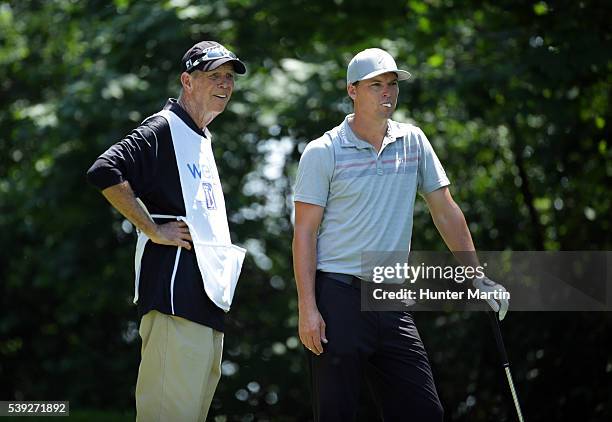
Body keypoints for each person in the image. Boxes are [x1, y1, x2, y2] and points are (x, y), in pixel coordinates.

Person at [292, 48, 509, 421]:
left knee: (424, 412)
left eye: (392, 84)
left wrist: (476, 277)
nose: (387, 92)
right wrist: (307, 308)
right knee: (337, 412)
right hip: (337, 296)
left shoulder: (413, 141)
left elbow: (445, 210)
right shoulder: (323, 151)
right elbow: (305, 234)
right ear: (352, 90)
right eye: (376, 85)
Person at [87, 40, 247, 421]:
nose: (224, 84)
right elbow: (104, 171)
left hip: (206, 304)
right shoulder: (164, 127)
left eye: (229, 77)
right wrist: (153, 228)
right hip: (174, 302)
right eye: (214, 76)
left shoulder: (201, 136)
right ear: (187, 81)